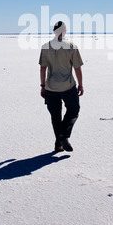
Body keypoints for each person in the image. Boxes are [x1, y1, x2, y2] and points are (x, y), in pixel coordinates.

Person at [39, 21, 84, 152]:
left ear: (54, 31)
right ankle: (64, 135)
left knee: (55, 116)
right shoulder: (71, 46)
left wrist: (42, 86)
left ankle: (58, 144)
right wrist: (80, 85)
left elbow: (42, 69)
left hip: (50, 87)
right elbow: (77, 68)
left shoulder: (45, 47)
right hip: (68, 87)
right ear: (64, 31)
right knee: (74, 109)